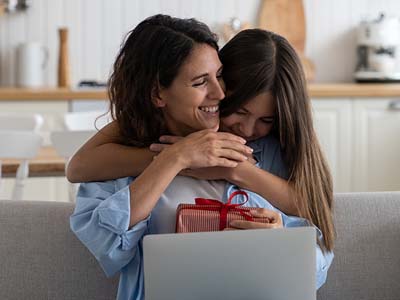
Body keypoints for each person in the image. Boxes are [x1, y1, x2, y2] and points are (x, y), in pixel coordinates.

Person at [70, 15, 333, 300]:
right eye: (200, 82)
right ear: (158, 93)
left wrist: (281, 242)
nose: (220, 93)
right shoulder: (122, 156)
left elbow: (316, 253)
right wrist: (175, 159)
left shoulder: (267, 151)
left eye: (220, 76)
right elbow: (105, 243)